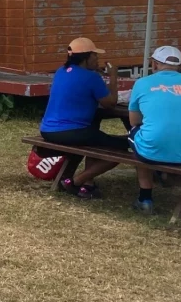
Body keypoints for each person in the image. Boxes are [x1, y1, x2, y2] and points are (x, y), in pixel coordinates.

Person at [39, 37, 124, 199]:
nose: (97, 59)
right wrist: (113, 76)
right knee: (120, 149)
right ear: (86, 58)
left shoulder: (61, 71)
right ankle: (76, 181)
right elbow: (110, 103)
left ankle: (88, 184)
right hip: (71, 131)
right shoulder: (91, 78)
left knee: (95, 135)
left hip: (48, 130)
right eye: (95, 56)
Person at [128, 46, 181, 214]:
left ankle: (145, 198)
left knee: (139, 137)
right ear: (179, 66)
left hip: (152, 150)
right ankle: (163, 176)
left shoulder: (142, 83)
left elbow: (134, 121)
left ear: (154, 64)